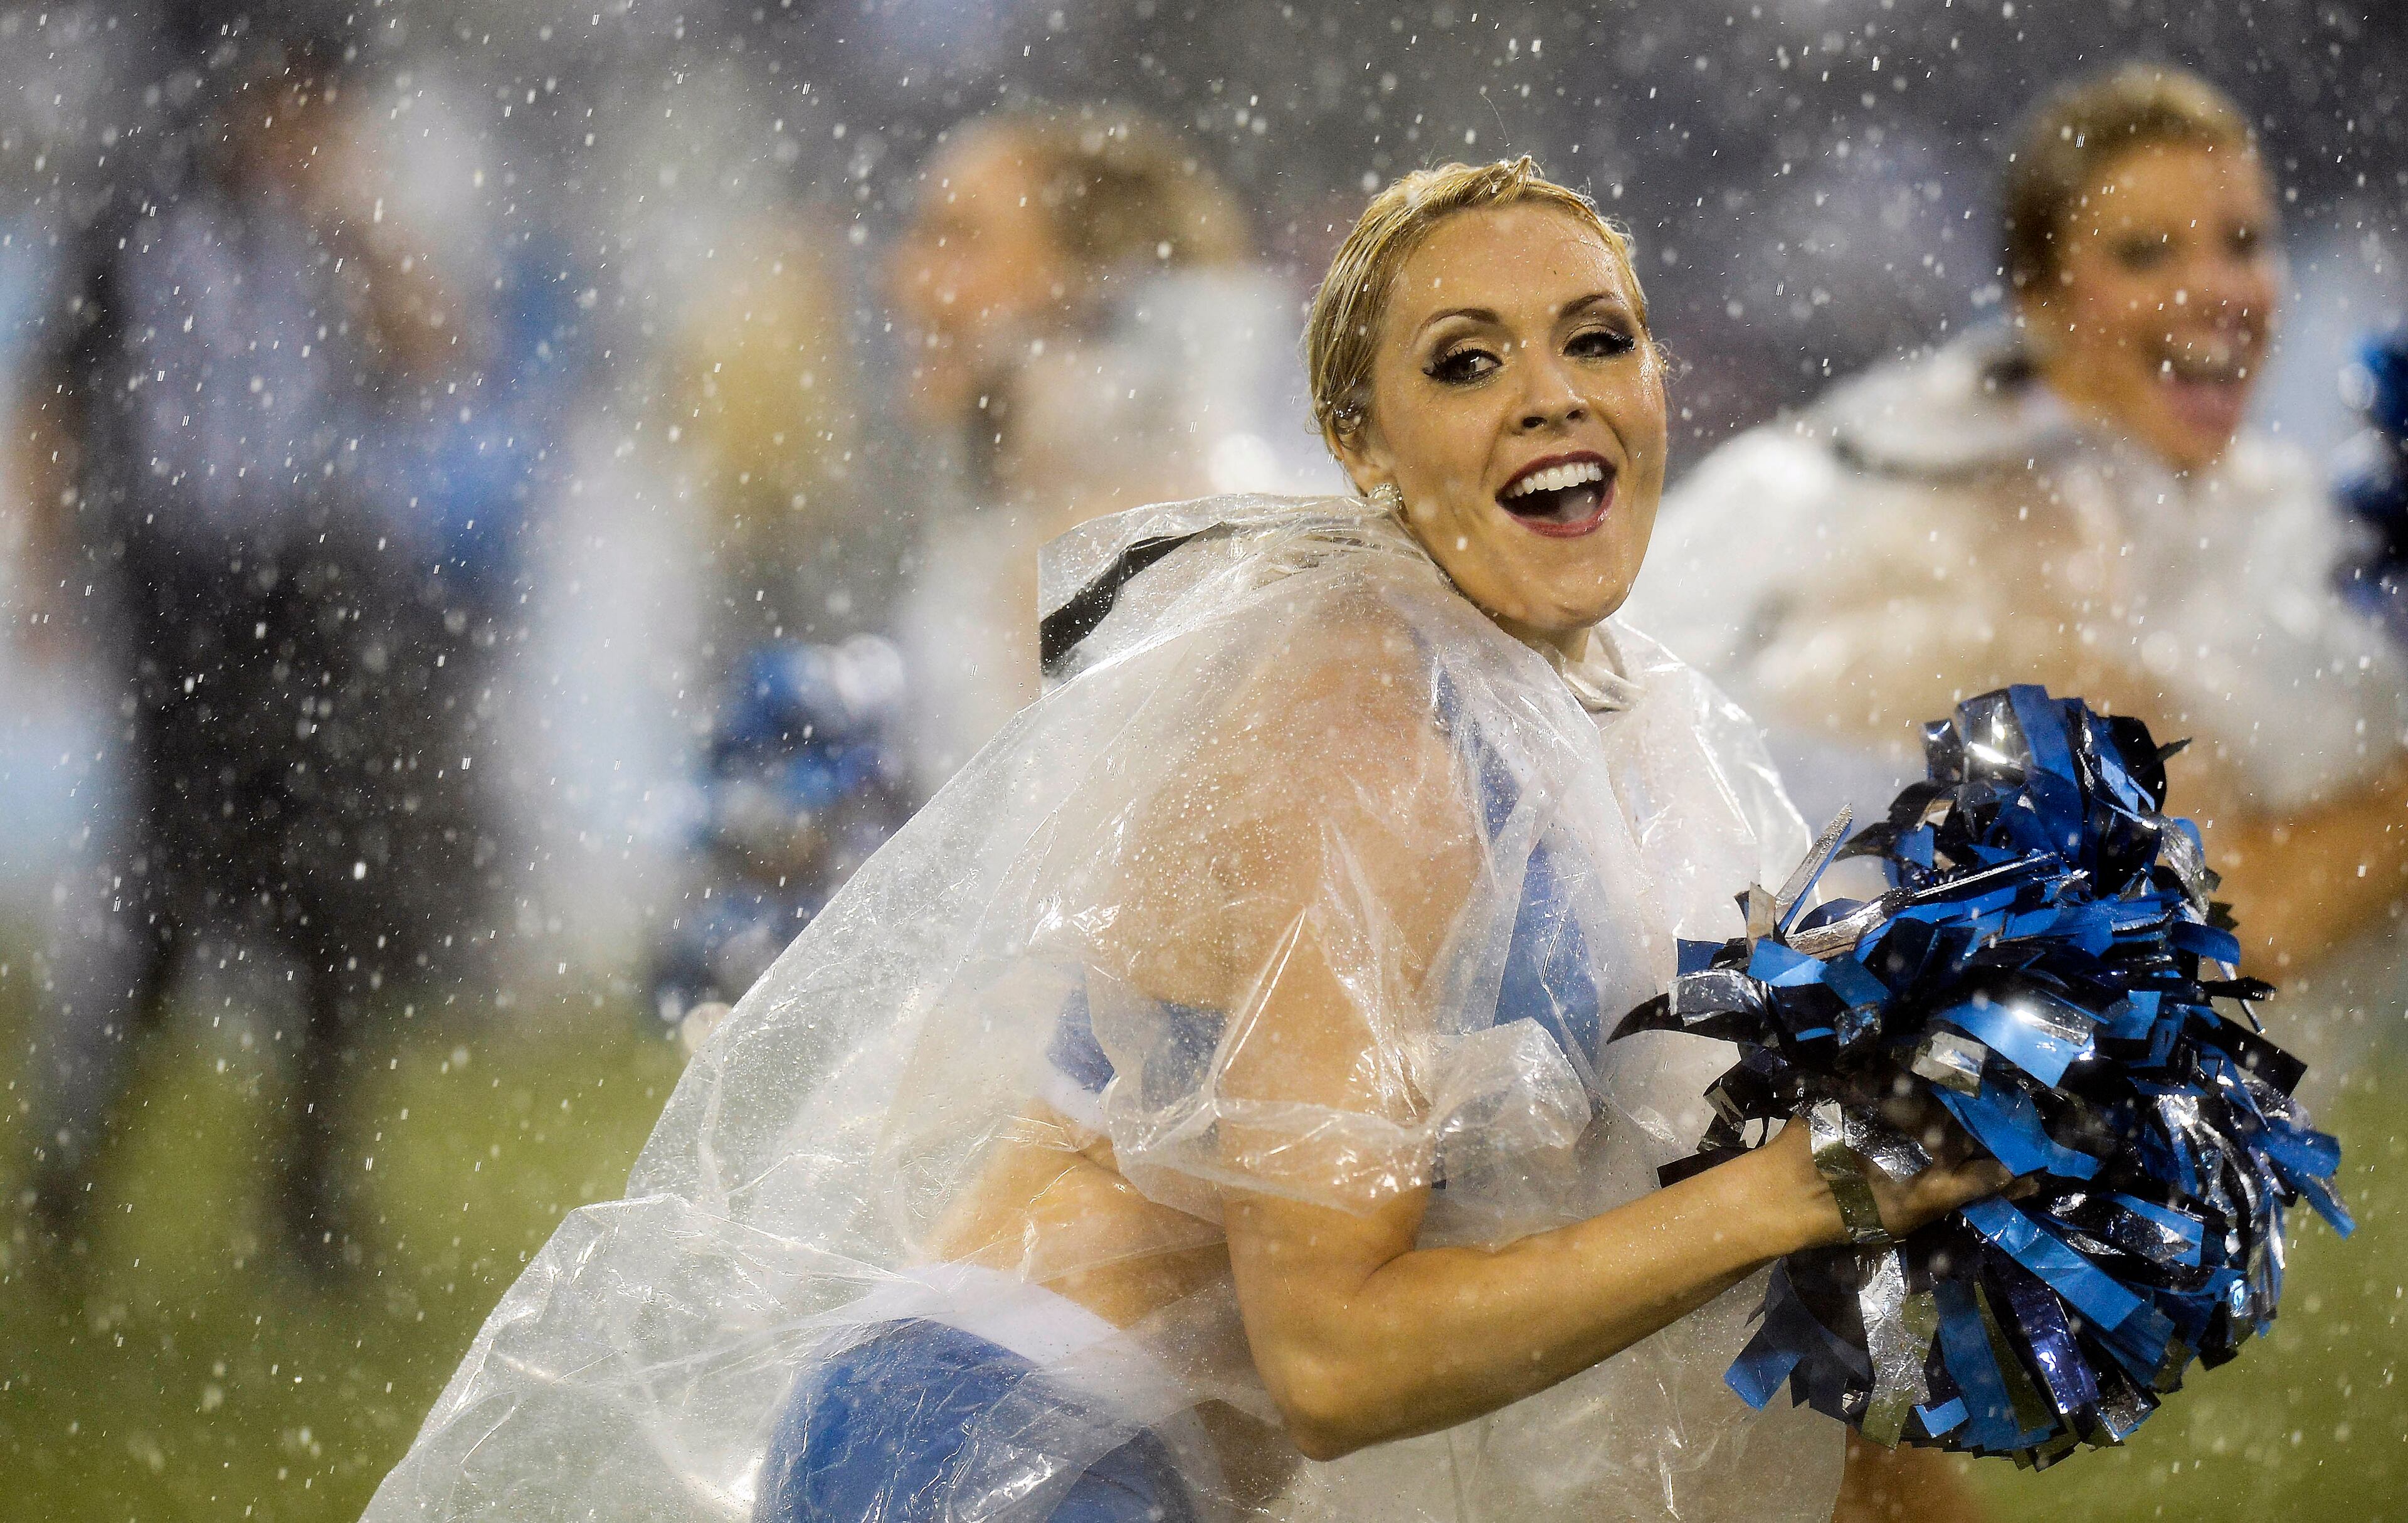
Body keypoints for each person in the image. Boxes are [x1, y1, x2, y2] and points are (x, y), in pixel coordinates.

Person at [366, 158, 2008, 1522]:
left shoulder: (1603, 707)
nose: (1550, 394)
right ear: (1357, 449)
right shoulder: (1360, 722)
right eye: (1464, 359)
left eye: (1596, 337)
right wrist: (1799, 1192)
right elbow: (1334, 1360)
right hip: (1005, 1459)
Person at [1624, 66, 2408, 1031]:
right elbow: (2226, 921)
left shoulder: (2233, 499)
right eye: (2147, 253)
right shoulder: (2007, 524)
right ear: (2037, 300)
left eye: (2243, 243)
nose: (2215, 289)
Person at [18, 33, 541, 1275]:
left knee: (334, 902)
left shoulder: (334, 233)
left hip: (310, 597)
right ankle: (67, 1195)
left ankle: (308, 1211)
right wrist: (43, 573)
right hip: (180, 592)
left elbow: (436, 360)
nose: (304, 130)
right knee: (164, 902)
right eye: (291, 104)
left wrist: (358, 225)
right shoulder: (141, 222)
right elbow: (57, 399)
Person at [890, 107, 1338, 796]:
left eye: (959, 239)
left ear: (1100, 290)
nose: (905, 278)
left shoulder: (1195, 563)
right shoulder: (1002, 549)